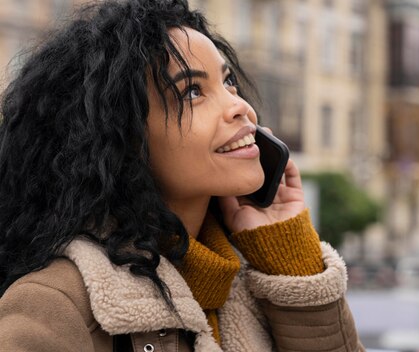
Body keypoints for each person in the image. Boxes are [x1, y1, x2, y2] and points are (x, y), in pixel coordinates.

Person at [0, 0, 364, 351]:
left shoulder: (250, 283)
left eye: (229, 81)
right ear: (121, 139)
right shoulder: (54, 306)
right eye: (192, 91)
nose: (240, 107)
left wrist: (291, 258)